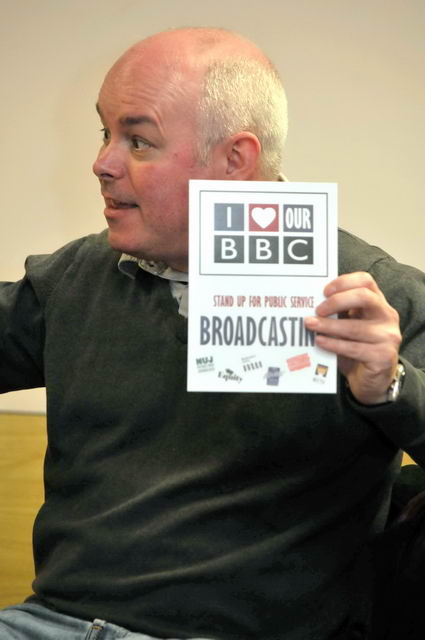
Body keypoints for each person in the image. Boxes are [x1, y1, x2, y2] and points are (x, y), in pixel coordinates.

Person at [0, 26, 425, 640]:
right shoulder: (80, 276)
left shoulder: (371, 298)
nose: (102, 164)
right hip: (46, 623)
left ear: (234, 161)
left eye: (137, 140)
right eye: (104, 133)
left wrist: (391, 387)